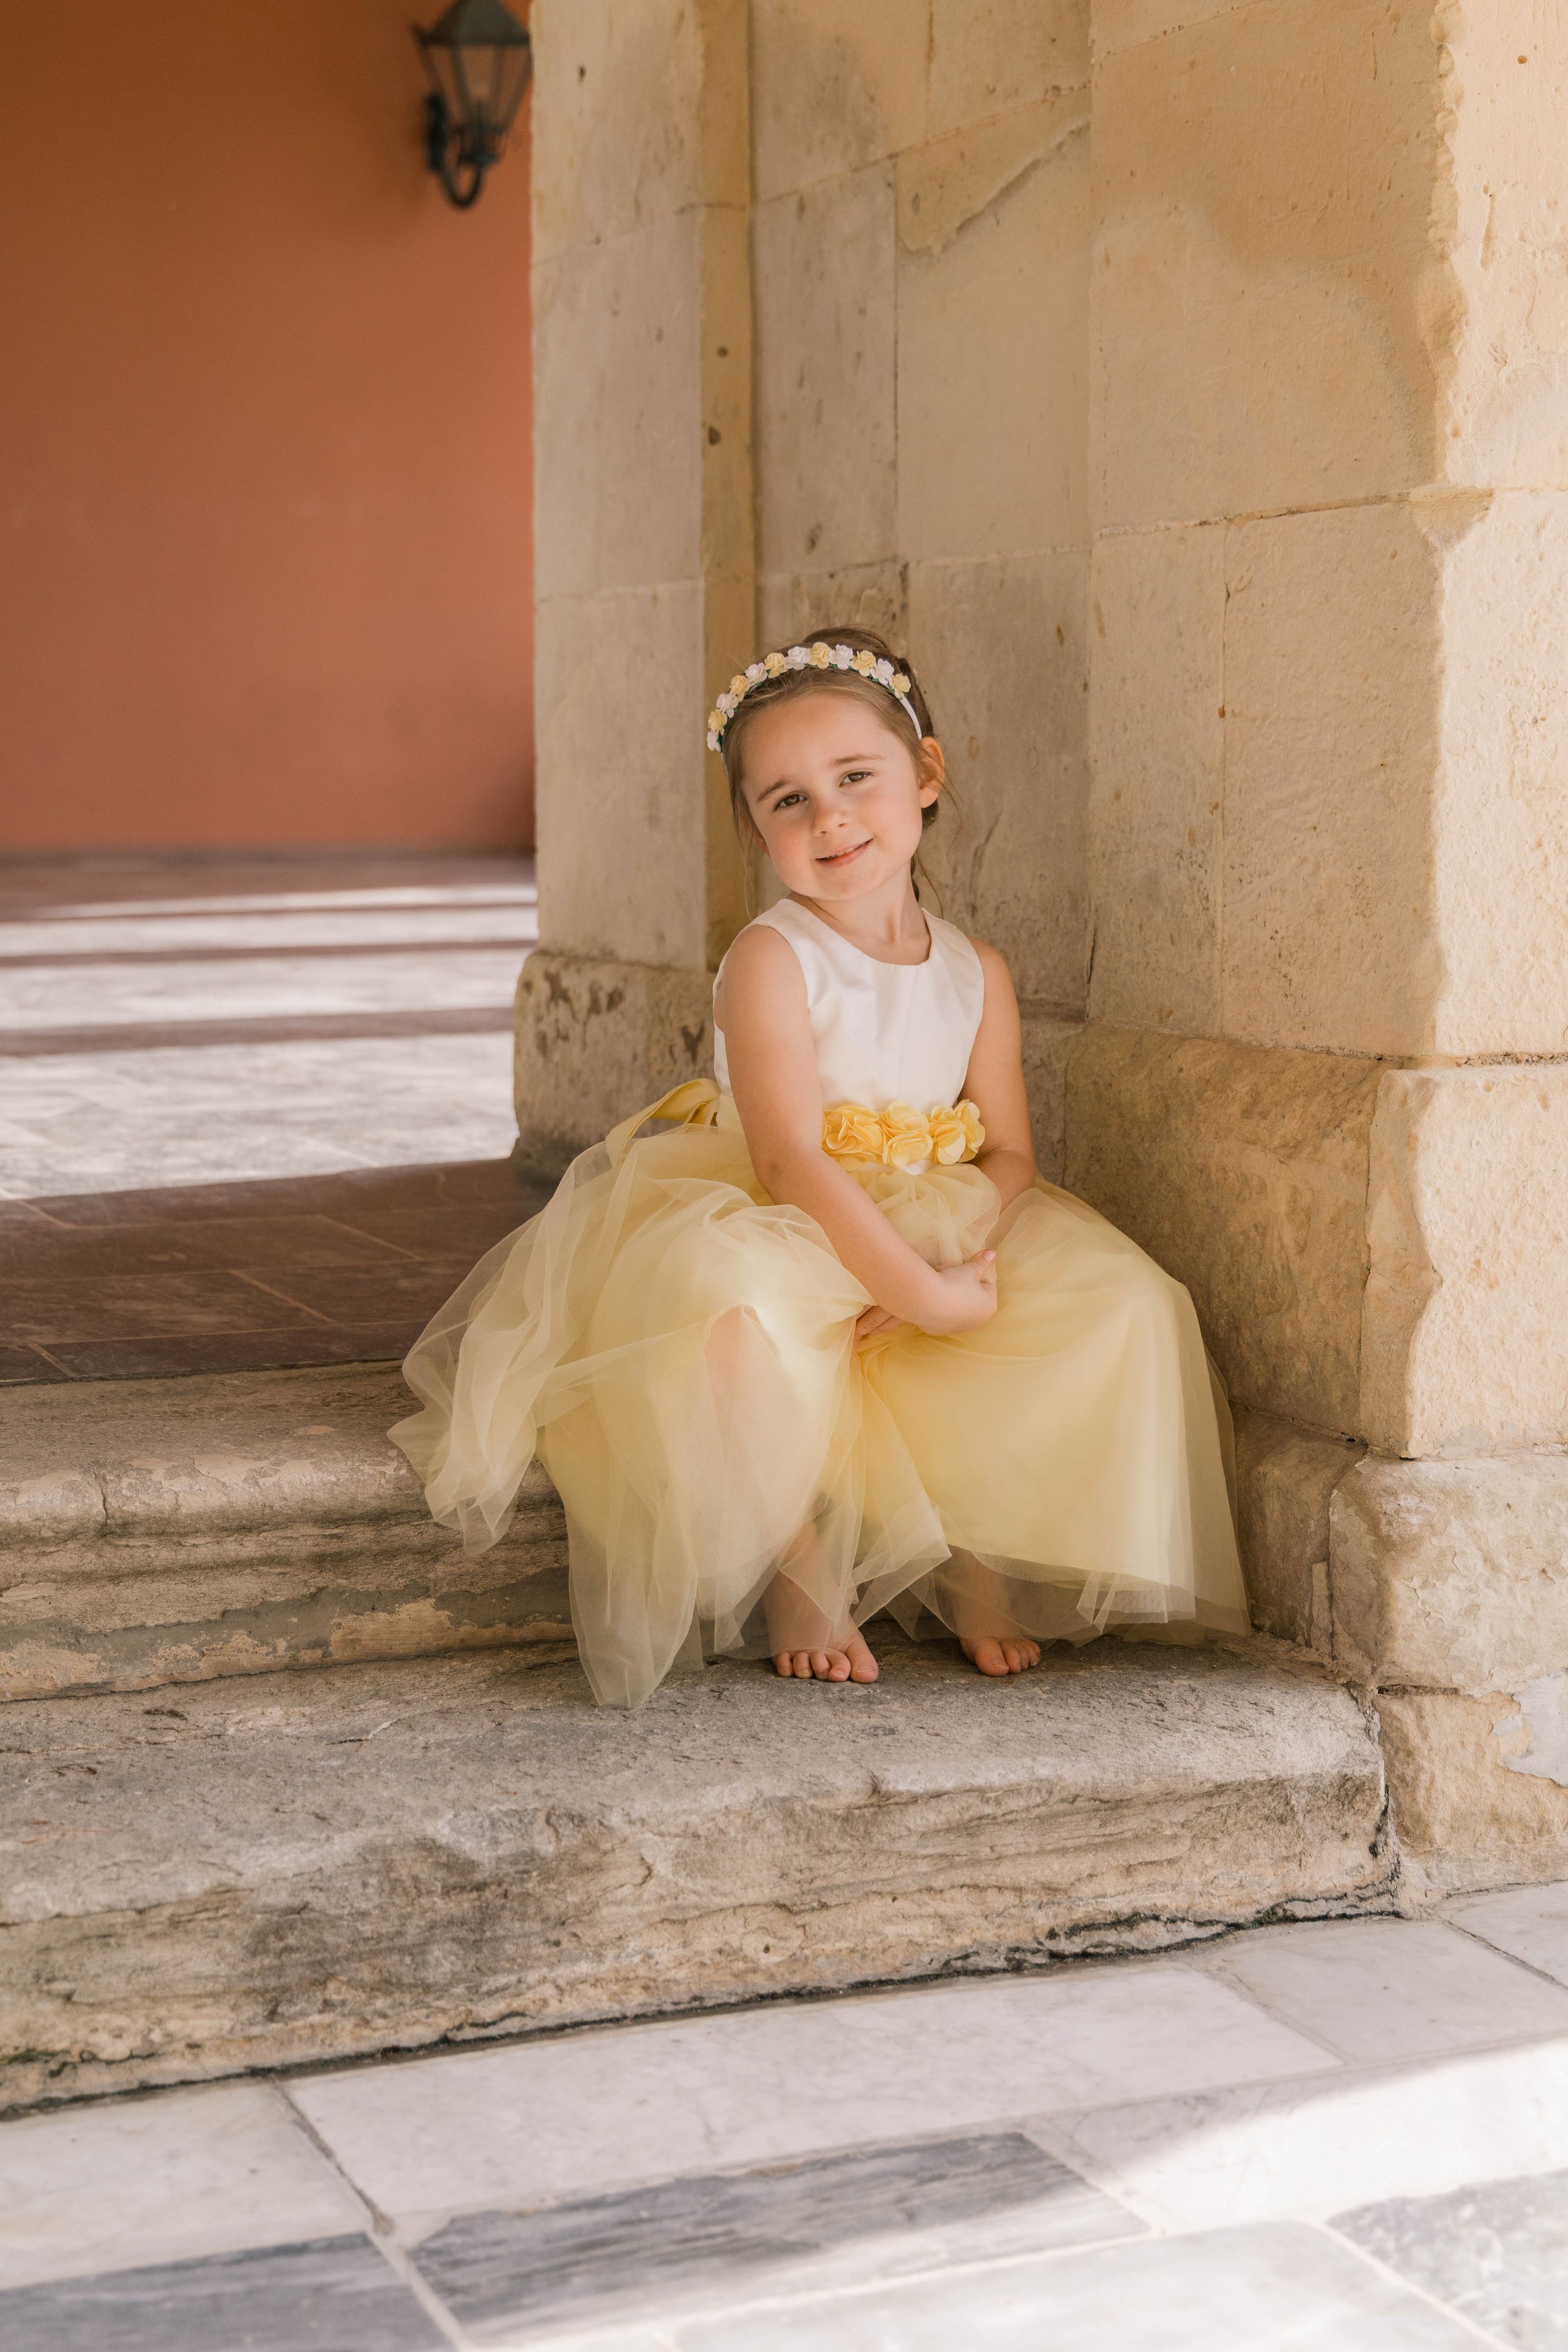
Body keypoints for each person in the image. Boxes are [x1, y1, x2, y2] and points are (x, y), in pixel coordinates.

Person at [392, 627, 1249, 1707]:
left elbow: (1011, 1149)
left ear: (925, 777)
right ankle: (800, 1560)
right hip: (783, 1206)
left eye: (855, 777)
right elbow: (792, 1155)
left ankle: (977, 1551)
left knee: (1124, 1303)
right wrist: (919, 1289)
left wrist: (959, 1253)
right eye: (786, 799)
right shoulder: (772, 956)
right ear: (754, 828)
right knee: (727, 1321)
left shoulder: (977, 968)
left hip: (945, 1212)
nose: (829, 815)